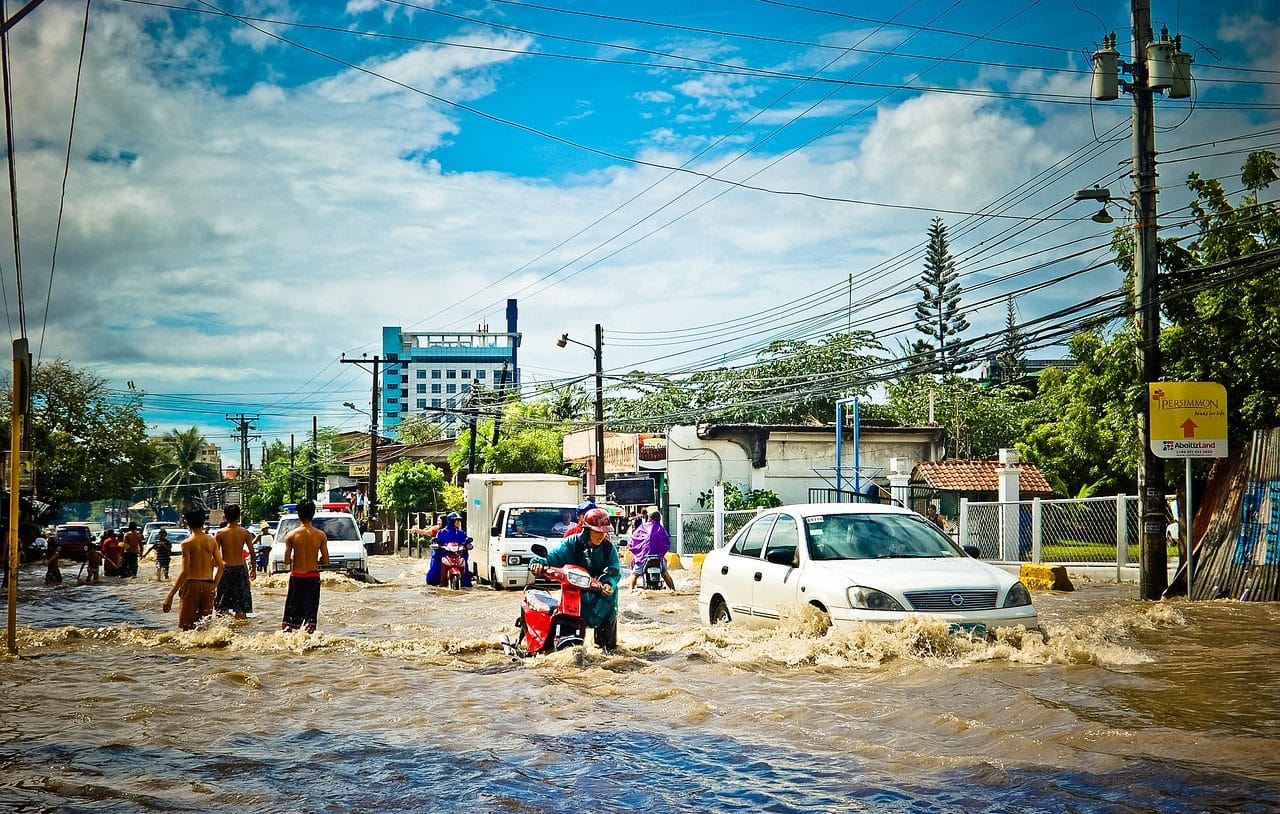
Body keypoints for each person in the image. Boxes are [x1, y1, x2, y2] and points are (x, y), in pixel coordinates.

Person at [529, 507, 620, 651]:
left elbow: (614, 570)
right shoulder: (572, 543)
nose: (601, 535)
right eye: (597, 531)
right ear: (587, 529)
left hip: (601, 594)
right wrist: (539, 563)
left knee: (608, 648)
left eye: (604, 532)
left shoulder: (609, 549)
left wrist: (609, 584)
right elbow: (553, 557)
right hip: (576, 592)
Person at [162, 508, 224, 630]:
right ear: (203, 522)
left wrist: (170, 595)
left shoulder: (187, 543)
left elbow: (185, 572)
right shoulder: (211, 540)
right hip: (208, 585)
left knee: (187, 628)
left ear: (187, 523)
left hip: (192, 585)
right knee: (204, 628)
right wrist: (214, 586)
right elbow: (221, 566)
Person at [280, 499, 329, 633]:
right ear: (313, 514)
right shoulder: (320, 535)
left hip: (297, 576)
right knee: (310, 616)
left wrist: (295, 558)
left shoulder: (291, 535)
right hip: (313, 577)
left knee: (291, 615)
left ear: (298, 514)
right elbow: (325, 560)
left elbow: (286, 561)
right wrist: (314, 560)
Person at [214, 505, 256, 619]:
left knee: (221, 607)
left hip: (225, 570)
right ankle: (241, 633)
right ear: (238, 517)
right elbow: (252, 552)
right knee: (241, 608)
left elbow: (215, 555)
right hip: (240, 570)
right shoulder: (244, 533)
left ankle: (221, 633)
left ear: (225, 517)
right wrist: (253, 570)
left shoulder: (220, 533)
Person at [628, 506, 676, 590]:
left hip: (643, 558)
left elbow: (634, 540)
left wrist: (633, 547)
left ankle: (631, 590)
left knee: (635, 574)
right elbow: (667, 543)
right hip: (658, 558)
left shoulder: (642, 527)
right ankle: (673, 590)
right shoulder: (662, 529)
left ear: (649, 518)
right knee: (665, 573)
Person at [427, 513, 472, 587]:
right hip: (444, 555)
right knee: (435, 568)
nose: (458, 522)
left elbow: (466, 541)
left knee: (465, 568)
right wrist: (438, 546)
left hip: (458, 555)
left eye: (459, 521)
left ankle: (466, 583)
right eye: (456, 520)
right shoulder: (441, 532)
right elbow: (437, 542)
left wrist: (468, 545)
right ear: (451, 521)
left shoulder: (461, 533)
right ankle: (435, 582)